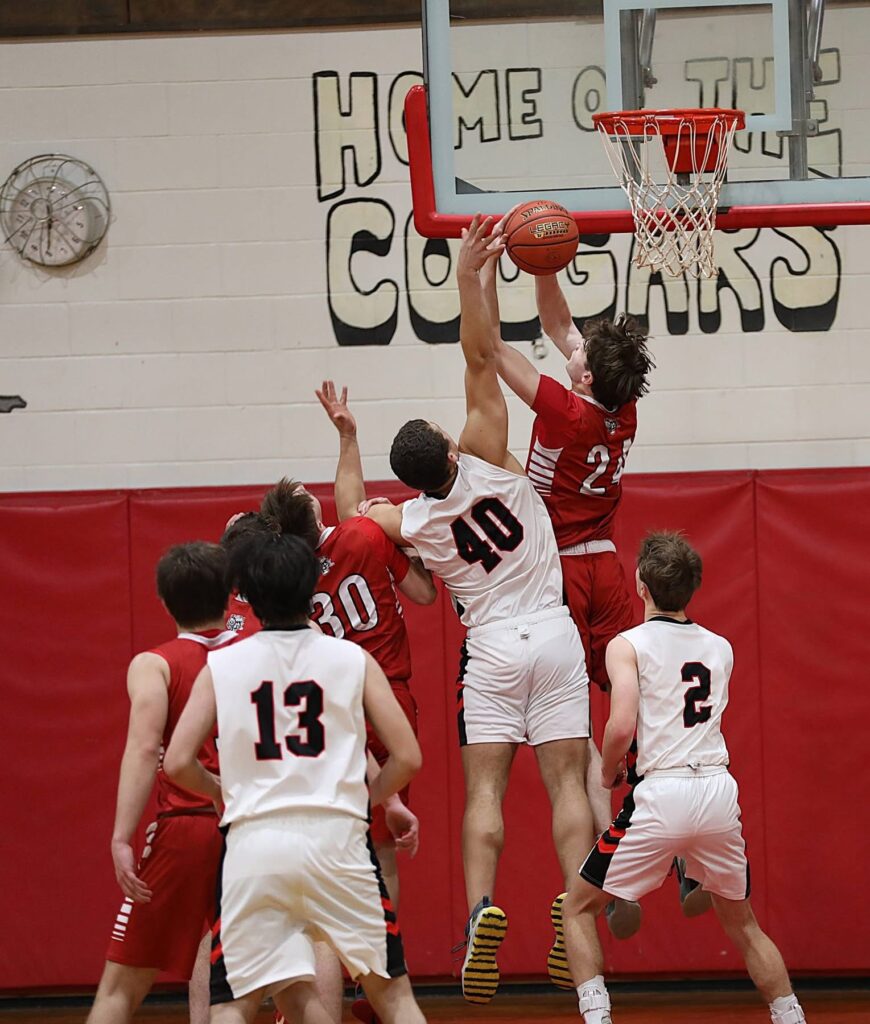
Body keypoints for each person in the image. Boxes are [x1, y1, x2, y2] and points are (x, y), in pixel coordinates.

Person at [364, 215, 593, 1005]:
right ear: (450, 446)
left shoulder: (415, 522)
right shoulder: (491, 452)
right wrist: (473, 277)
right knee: (567, 785)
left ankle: (480, 913)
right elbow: (478, 353)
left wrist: (358, 500)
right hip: (555, 634)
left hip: (490, 647)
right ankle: (578, 902)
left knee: (486, 793)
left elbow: (364, 519)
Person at [486, 260, 709, 957]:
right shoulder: (624, 407)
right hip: (609, 569)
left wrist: (485, 269)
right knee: (638, 711)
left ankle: (602, 875)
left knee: (571, 737)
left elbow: (491, 345)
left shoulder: (564, 407)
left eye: (579, 355)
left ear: (583, 377)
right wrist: (546, 266)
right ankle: (678, 852)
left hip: (551, 577)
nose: (572, 350)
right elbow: (558, 323)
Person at [163, 531, 427, 1024]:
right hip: (340, 841)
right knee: (395, 1000)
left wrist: (219, 791)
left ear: (246, 594)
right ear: (311, 589)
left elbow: (177, 761)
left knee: (234, 1003)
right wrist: (368, 797)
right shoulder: (352, 659)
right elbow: (407, 756)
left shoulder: (222, 665)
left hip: (253, 845)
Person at [559, 531, 806, 1024]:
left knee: (577, 907)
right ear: (692, 587)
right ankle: (790, 1014)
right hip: (716, 790)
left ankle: (597, 1017)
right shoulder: (721, 646)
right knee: (745, 925)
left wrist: (607, 772)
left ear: (640, 586)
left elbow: (622, 724)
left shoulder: (626, 644)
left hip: (662, 791)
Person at [87, 542, 238, 1024]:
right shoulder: (257, 651)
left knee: (120, 985)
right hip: (256, 825)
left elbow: (143, 749)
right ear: (229, 594)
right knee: (253, 980)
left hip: (189, 828)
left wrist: (120, 838)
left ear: (164, 601)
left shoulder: (155, 664)